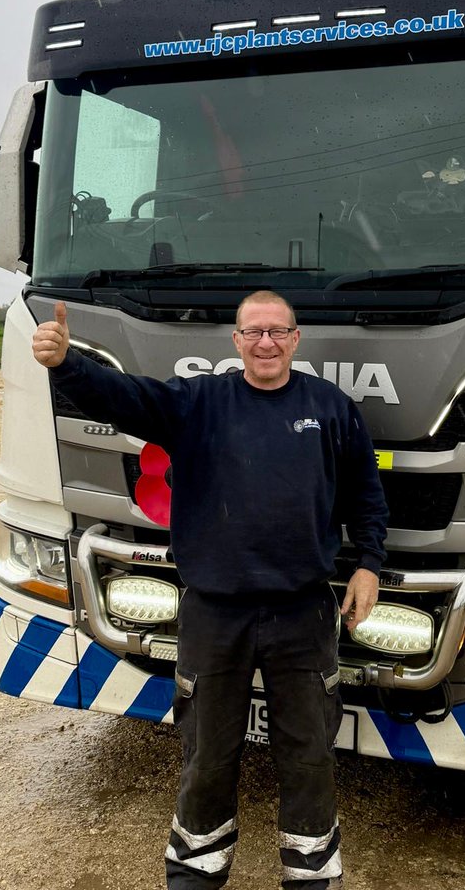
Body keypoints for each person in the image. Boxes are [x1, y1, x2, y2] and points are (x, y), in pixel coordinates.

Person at [32, 291, 388, 890]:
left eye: (278, 331)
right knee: (206, 753)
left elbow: (365, 493)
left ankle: (310, 876)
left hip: (302, 613)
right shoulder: (196, 403)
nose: (266, 342)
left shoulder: (331, 408)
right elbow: (124, 398)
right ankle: (195, 873)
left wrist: (369, 563)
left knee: (309, 756)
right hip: (214, 614)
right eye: (254, 332)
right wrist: (68, 364)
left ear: (296, 339)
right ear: (236, 341)